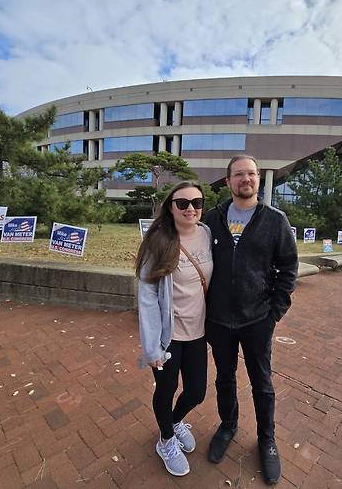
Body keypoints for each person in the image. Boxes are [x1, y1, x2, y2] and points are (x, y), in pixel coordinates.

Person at [203, 155, 298, 485]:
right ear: (228, 181)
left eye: (252, 174)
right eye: (239, 174)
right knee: (224, 378)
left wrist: (275, 312)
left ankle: (266, 438)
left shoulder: (275, 220)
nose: (247, 179)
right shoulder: (212, 220)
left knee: (262, 382)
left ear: (258, 180)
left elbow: (288, 269)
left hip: (257, 319)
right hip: (218, 319)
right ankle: (228, 425)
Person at [136, 181, 213, 477]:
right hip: (168, 336)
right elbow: (147, 297)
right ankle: (166, 439)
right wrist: (151, 347)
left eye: (197, 202)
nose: (190, 208)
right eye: (182, 203)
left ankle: (175, 422)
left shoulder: (206, 234)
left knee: (196, 392)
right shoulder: (159, 241)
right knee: (166, 389)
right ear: (171, 207)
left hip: (198, 331)